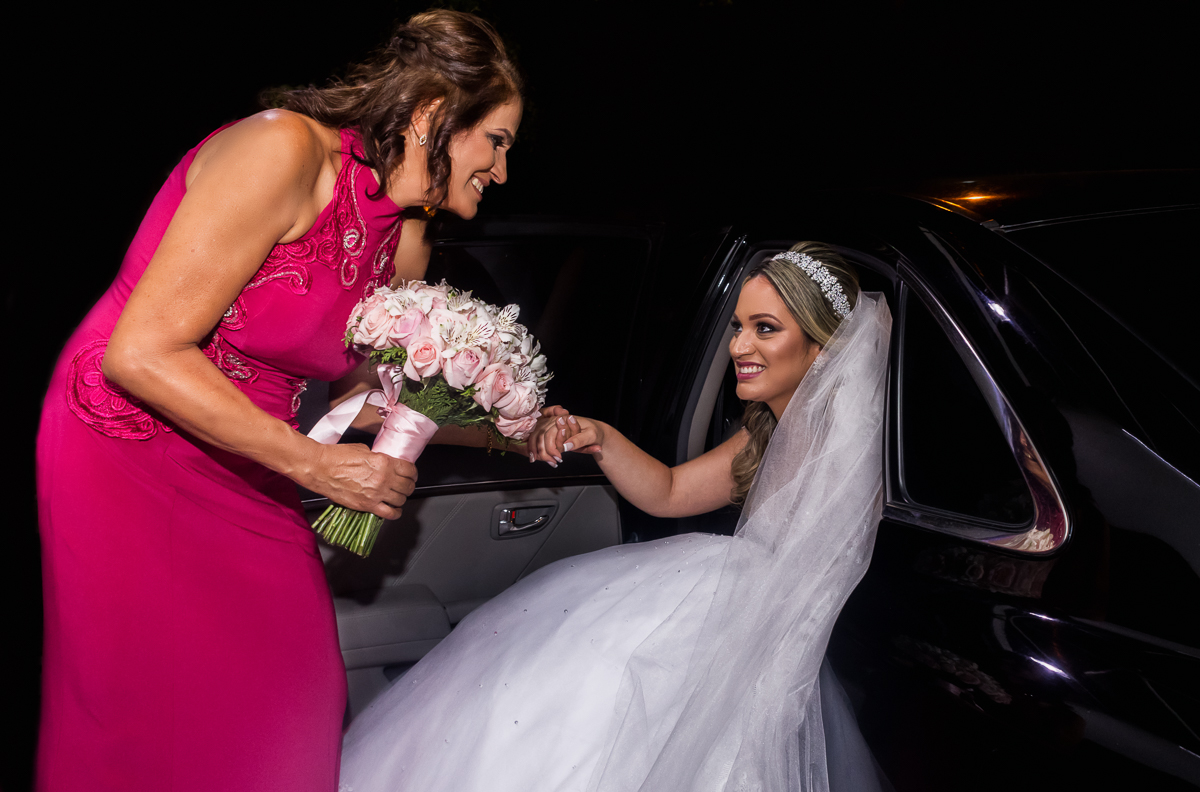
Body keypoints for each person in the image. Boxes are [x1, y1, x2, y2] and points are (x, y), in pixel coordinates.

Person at [35, 10, 522, 791]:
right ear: (437, 116)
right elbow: (142, 352)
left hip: (250, 461)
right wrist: (318, 468)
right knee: (137, 715)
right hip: (127, 444)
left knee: (299, 695)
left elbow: (359, 402)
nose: (501, 169)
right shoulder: (283, 150)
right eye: (496, 140)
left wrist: (510, 431)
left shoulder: (407, 233)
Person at [338, 243, 894, 791]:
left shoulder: (845, 450)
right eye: (737, 326)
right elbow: (671, 492)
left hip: (755, 634)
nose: (739, 346)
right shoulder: (762, 430)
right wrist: (599, 436)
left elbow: (820, 589)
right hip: (722, 600)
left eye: (765, 328)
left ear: (823, 349)